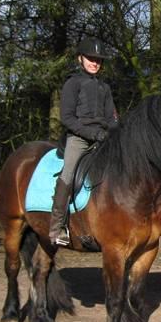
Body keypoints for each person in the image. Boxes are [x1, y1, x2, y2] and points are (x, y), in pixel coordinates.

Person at [49, 37, 118, 246]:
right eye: (91, 58)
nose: (95, 62)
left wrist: (115, 131)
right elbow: (67, 118)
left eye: (98, 60)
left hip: (102, 137)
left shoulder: (104, 87)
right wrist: (91, 134)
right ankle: (57, 227)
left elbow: (112, 117)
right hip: (78, 138)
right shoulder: (72, 83)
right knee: (69, 173)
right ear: (80, 58)